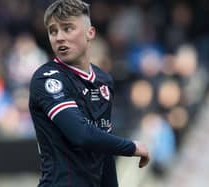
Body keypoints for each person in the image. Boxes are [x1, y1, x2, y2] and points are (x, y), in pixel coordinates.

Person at [29, 0, 150, 186]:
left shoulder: (103, 80)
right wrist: (132, 147)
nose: (59, 37)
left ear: (90, 33)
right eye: (53, 31)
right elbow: (81, 135)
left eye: (68, 29)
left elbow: (104, 150)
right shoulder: (48, 79)